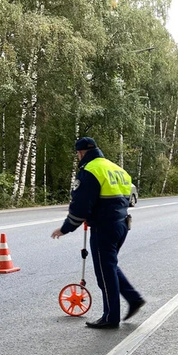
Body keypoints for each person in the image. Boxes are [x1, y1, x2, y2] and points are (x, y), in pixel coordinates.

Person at [52, 137, 145, 329]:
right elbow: (127, 199)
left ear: (81, 153)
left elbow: (81, 206)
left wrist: (65, 228)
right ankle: (133, 298)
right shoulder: (117, 169)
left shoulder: (90, 171)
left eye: (78, 154)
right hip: (121, 225)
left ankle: (111, 317)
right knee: (108, 266)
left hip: (104, 228)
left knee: (105, 273)